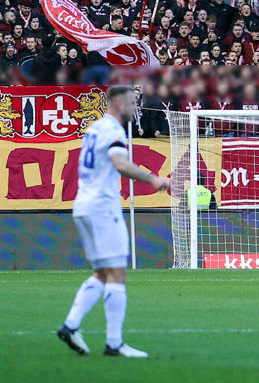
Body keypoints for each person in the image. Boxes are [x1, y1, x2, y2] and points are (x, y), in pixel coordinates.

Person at [56, 86, 166, 358]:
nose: (135, 108)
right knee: (118, 273)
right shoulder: (114, 130)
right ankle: (114, 343)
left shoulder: (94, 129)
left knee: (103, 273)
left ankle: (70, 326)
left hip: (83, 205)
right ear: (118, 103)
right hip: (103, 207)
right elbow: (120, 163)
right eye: (131, 103)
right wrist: (153, 179)